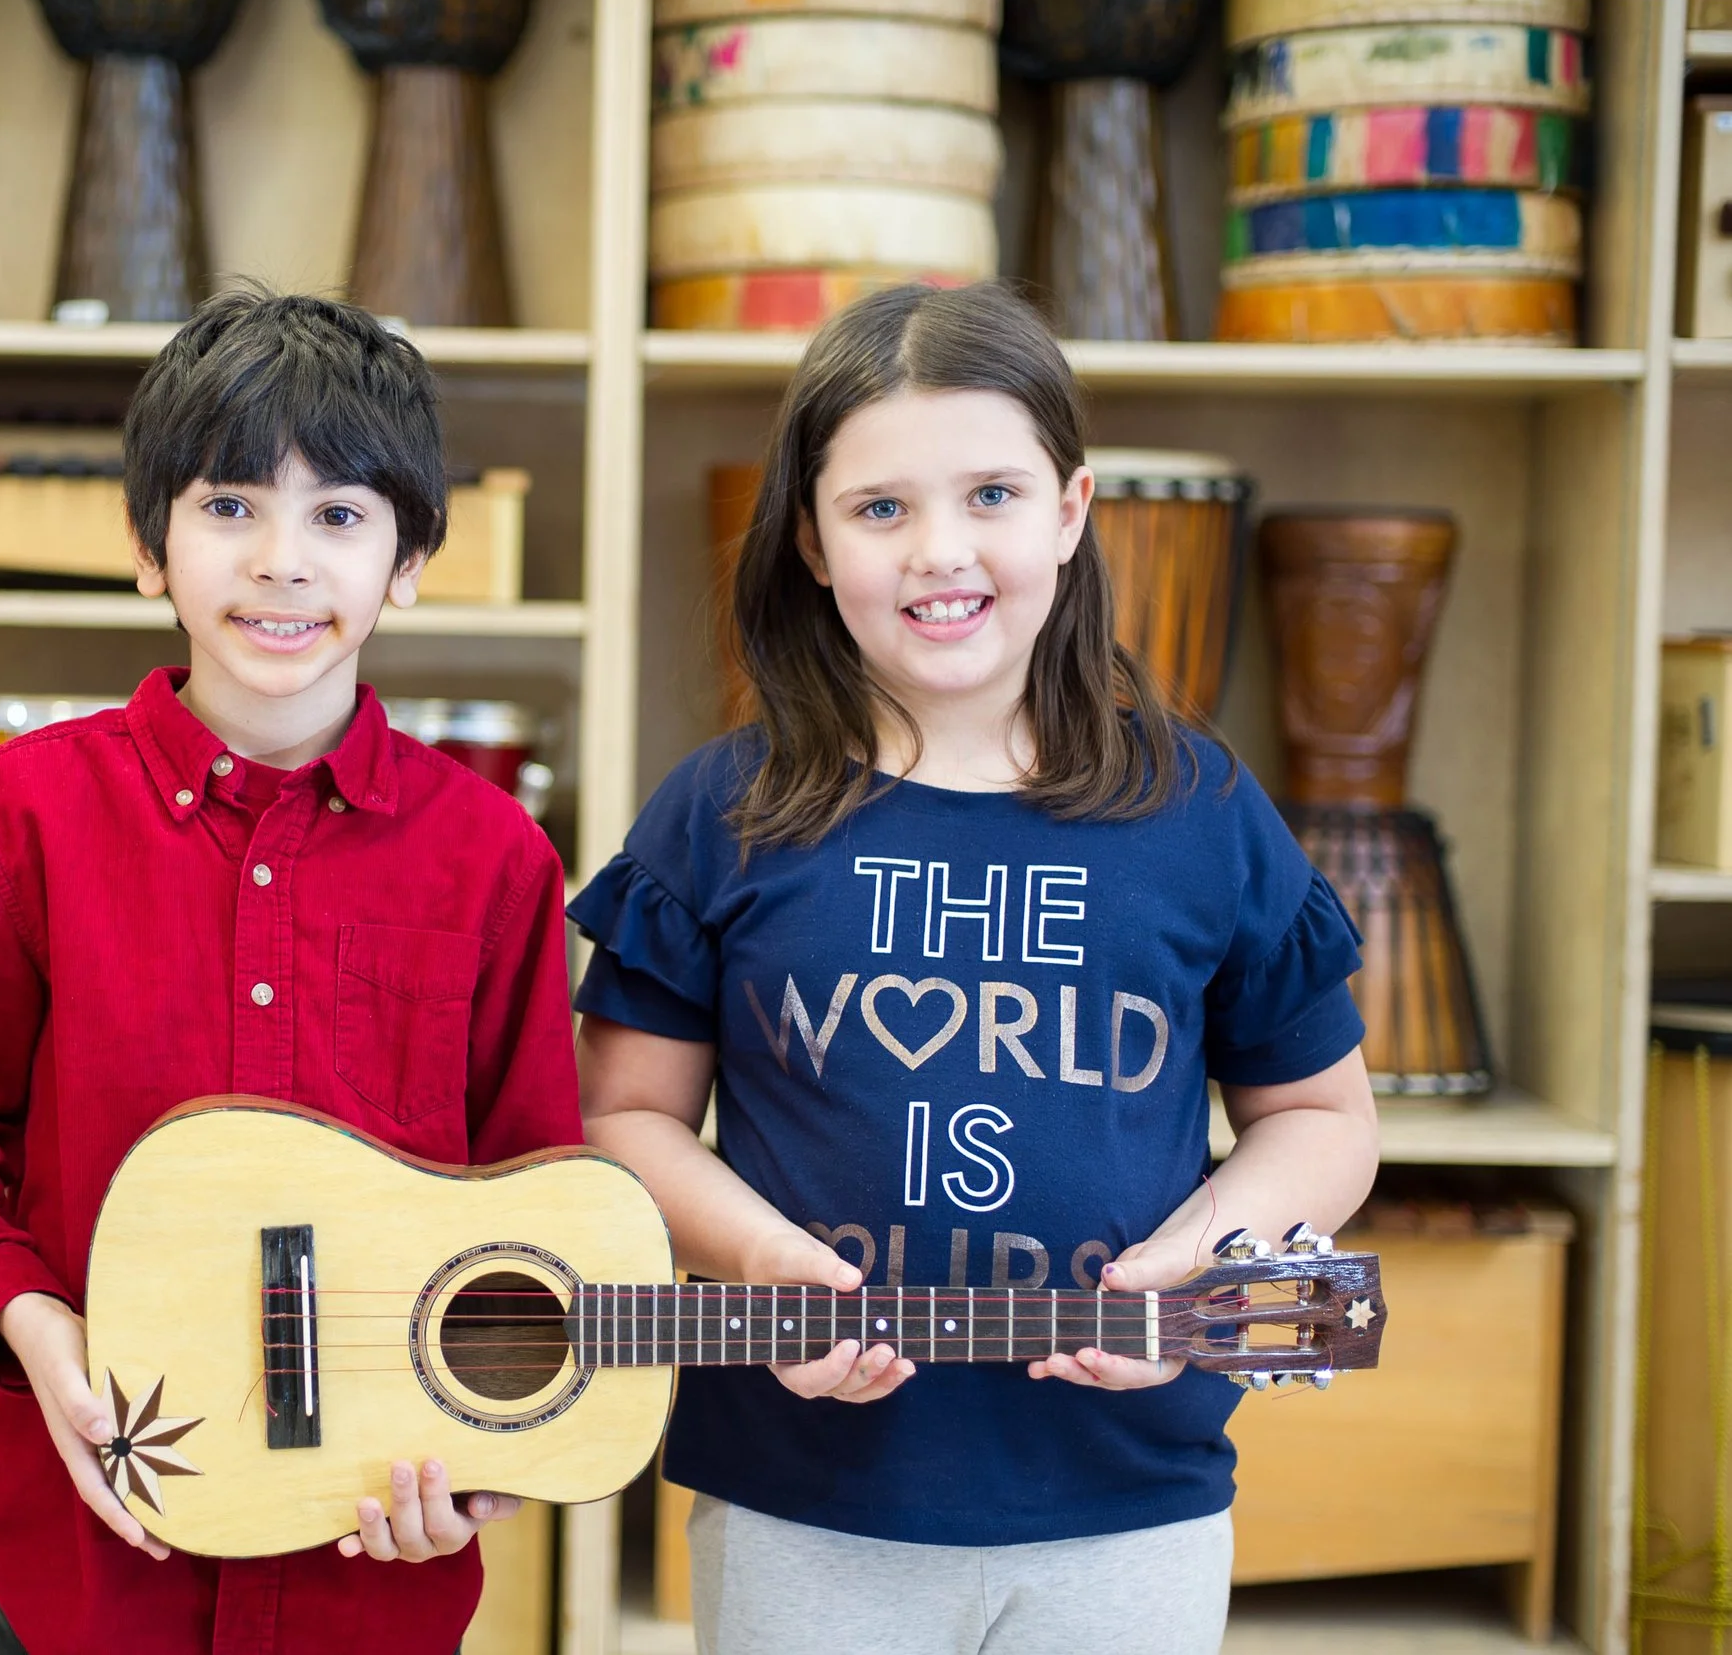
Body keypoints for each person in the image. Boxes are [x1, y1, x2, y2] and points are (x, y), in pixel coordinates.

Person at [567, 281, 1381, 1655]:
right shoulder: (719, 811)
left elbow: (1322, 1117)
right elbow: (623, 1117)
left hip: (1128, 1504)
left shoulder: (1200, 809)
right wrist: (761, 1258)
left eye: (991, 494)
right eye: (880, 508)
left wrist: (1196, 1262)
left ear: (1070, 508)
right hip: (804, 1501)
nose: (939, 551)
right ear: (811, 541)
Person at [0, 287, 580, 1655]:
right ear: (147, 547)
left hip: (365, 1582)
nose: (282, 563)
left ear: (409, 561)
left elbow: (529, 1224)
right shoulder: (27, 816)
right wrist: (27, 1321)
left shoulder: (495, 858)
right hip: (82, 1574)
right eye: (229, 506)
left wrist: (482, 1462)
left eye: (339, 515)